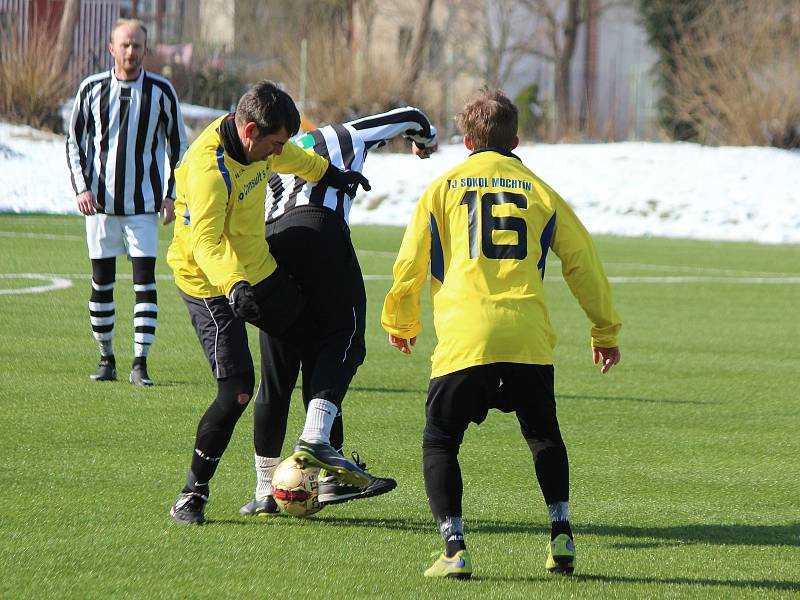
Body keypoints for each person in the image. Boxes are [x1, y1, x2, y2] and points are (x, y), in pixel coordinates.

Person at [380, 89, 622, 578]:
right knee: (543, 435)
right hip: (527, 338)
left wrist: (400, 322)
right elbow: (584, 263)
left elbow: (409, 263)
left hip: (466, 339)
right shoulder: (540, 191)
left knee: (441, 440)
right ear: (517, 139)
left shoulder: (442, 188)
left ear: (466, 140)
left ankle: (454, 548)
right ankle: (562, 537)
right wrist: (604, 330)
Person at [166, 80, 388, 525]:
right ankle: (191, 495)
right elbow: (207, 244)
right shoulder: (208, 171)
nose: (276, 153)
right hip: (209, 284)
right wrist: (233, 287)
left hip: (256, 268)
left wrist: (331, 176)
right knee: (237, 390)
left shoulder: (259, 146)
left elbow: (291, 157)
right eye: (271, 143)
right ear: (249, 131)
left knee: (319, 342)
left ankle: (322, 466)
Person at [239, 107, 439, 516]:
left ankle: (267, 489)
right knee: (344, 339)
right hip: (319, 229)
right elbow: (409, 114)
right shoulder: (346, 134)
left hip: (270, 244)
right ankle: (317, 445)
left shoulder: (270, 153)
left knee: (279, 372)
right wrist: (426, 139)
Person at [66, 18, 187, 386]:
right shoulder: (91, 90)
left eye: (137, 46)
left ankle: (140, 363)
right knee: (101, 283)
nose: (131, 52)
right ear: (111, 49)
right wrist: (82, 189)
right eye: (125, 45)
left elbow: (179, 148)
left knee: (144, 284)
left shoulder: (162, 92)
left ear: (146, 51)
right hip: (100, 206)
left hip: (144, 207)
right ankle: (106, 359)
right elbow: (74, 142)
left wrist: (171, 194)